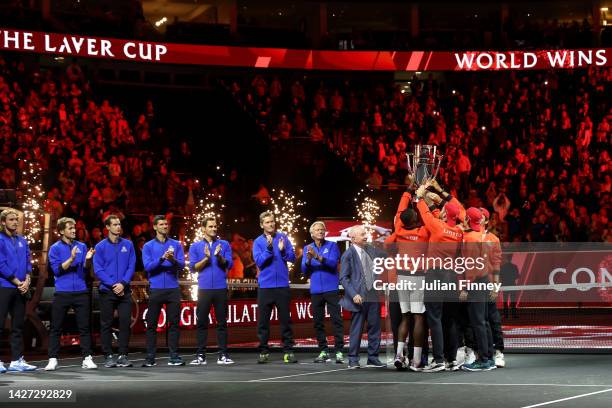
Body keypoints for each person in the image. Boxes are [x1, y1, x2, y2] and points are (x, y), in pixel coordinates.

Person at [415, 181, 464, 372]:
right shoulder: (459, 232)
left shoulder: (436, 227)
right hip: (451, 276)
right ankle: (451, 358)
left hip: (435, 274)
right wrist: (437, 199)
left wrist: (419, 196)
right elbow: (449, 215)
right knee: (449, 319)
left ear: (445, 214)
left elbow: (425, 214)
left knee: (434, 317)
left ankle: (438, 360)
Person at [45, 217, 97, 370]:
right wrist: (72, 258)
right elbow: (57, 270)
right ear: (61, 231)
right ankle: (53, 358)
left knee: (84, 327)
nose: (74, 230)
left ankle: (87, 357)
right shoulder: (55, 248)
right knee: (56, 327)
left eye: (74, 228)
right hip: (62, 292)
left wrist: (88, 260)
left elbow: (86, 269)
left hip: (81, 291)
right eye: (70, 228)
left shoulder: (81, 245)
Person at [188, 217, 234, 366]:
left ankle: (223, 355)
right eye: (210, 226)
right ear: (203, 229)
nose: (214, 229)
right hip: (204, 289)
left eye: (215, 226)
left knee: (222, 323)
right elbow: (194, 267)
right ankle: (201, 355)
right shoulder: (195, 246)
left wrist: (219, 257)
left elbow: (230, 264)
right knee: (201, 322)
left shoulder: (224, 244)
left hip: (220, 288)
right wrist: (207, 258)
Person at [252, 211, 297, 364]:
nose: (271, 224)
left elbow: (293, 258)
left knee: (286, 320)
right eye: (267, 222)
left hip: (282, 286)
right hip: (265, 287)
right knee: (263, 322)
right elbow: (259, 262)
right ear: (261, 225)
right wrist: (269, 249)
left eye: (272, 221)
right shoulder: (258, 242)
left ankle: (288, 351)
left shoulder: (283, 237)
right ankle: (264, 352)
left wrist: (283, 250)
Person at [141, 215, 186, 367]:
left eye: (166, 224)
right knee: (152, 325)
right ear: (155, 227)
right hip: (156, 289)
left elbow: (181, 265)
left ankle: (174, 356)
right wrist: (161, 259)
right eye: (161, 224)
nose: (165, 226)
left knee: (174, 324)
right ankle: (150, 357)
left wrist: (172, 259)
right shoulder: (148, 246)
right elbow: (148, 267)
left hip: (173, 289)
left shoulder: (176, 244)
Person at [339, 225, 386, 369]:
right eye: (362, 234)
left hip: (373, 295)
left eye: (365, 233)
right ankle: (353, 359)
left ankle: (373, 358)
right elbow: (344, 278)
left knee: (375, 327)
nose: (366, 236)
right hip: (358, 298)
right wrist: (354, 294)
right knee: (357, 329)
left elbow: (387, 256)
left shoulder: (371, 249)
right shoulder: (348, 254)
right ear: (353, 238)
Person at [93, 215, 136, 368]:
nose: (118, 227)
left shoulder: (128, 244)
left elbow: (132, 266)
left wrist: (123, 283)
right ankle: (108, 355)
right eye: (115, 224)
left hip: (124, 290)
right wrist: (113, 284)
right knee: (106, 324)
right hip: (107, 291)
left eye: (119, 224)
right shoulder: (100, 247)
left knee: (125, 323)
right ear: (108, 227)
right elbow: (98, 269)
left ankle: (123, 355)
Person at [301, 221, 344, 364]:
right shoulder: (307, 248)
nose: (320, 232)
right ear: (312, 234)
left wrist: (317, 257)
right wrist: (307, 260)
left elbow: (332, 264)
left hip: (331, 289)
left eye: (322, 230)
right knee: (318, 322)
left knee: (336, 320)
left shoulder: (332, 246)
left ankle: (339, 351)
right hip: (316, 291)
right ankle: (323, 351)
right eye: (317, 230)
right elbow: (304, 271)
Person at [0, 209, 37, 372]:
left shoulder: (22, 240)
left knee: (18, 325)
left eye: (16, 219)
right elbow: (1, 265)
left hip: (21, 287)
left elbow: (28, 262)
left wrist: (27, 280)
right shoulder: (0, 239)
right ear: (3, 222)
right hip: (5, 287)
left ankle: (16, 360)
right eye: (11, 219)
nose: (15, 222)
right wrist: (17, 282)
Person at [460, 207, 495, 372]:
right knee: (483, 321)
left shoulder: (470, 239)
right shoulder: (480, 234)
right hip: (483, 281)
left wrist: (465, 287)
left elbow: (471, 266)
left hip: (475, 283)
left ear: (468, 219)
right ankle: (489, 357)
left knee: (478, 322)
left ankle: (483, 359)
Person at [480, 208, 505, 368]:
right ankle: (481, 352)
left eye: (482, 217)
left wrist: (495, 286)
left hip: (488, 283)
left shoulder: (493, 239)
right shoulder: (467, 236)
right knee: (477, 320)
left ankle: (499, 352)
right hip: (473, 285)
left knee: (493, 319)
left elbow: (496, 264)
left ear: (486, 221)